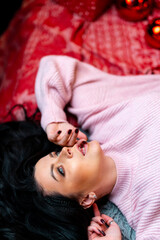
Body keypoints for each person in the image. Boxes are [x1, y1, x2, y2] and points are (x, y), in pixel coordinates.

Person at [34, 55, 160, 239]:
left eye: (56, 153)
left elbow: (53, 65)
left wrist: (53, 121)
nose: (65, 151)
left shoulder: (100, 115)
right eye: (61, 171)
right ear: (86, 199)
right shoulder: (146, 205)